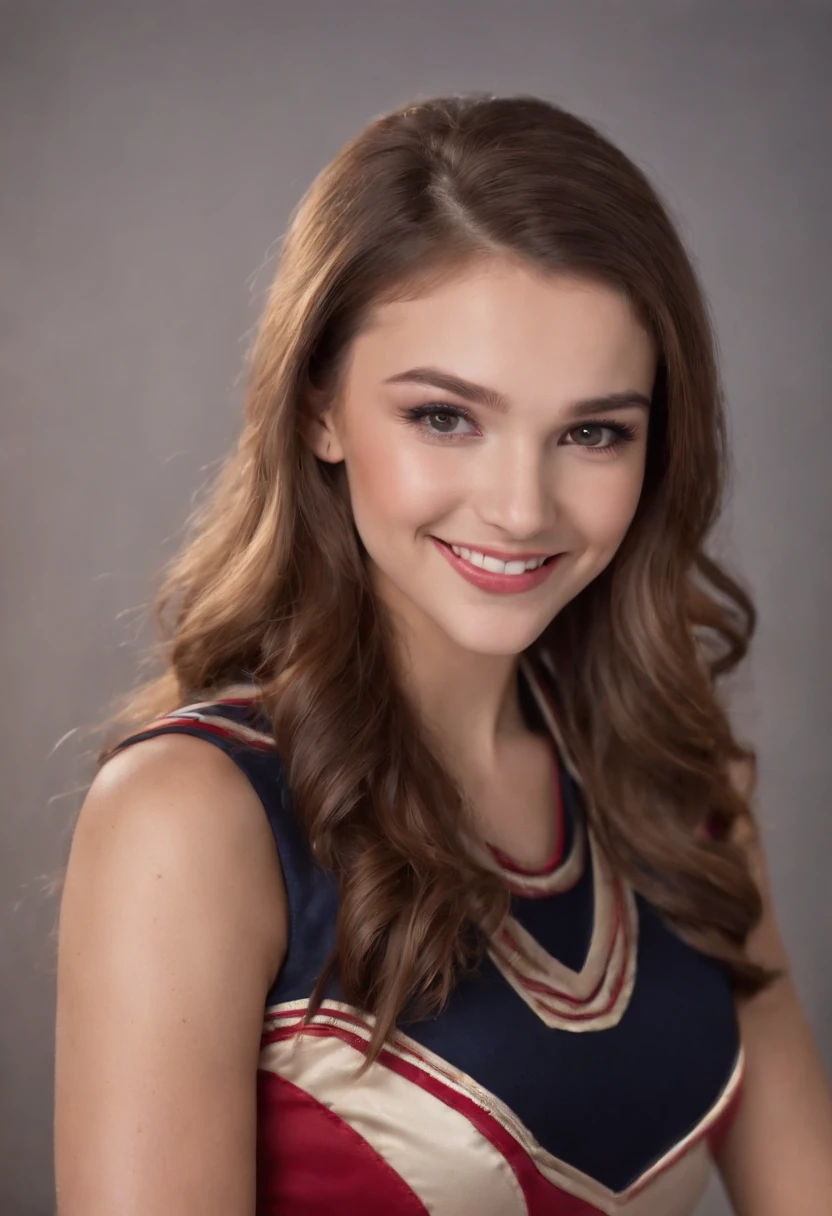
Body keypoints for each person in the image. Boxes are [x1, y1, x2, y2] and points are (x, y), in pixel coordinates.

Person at [54, 93, 832, 1215]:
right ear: (319, 406)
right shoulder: (192, 817)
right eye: (445, 417)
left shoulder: (683, 797)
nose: (521, 507)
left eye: (591, 432)